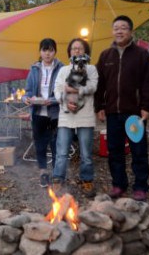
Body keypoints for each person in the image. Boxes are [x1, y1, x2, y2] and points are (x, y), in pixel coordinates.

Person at [94, 15, 149, 202]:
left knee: (138, 149)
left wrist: (146, 106)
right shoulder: (106, 56)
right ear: (112, 32)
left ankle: (140, 186)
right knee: (115, 151)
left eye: (123, 28)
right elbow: (99, 84)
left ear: (130, 31)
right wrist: (99, 106)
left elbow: (148, 83)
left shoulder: (141, 55)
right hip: (112, 112)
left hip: (134, 113)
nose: (119, 31)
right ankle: (119, 184)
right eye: (116, 28)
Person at [52, 38, 98, 198]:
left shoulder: (91, 69)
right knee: (62, 151)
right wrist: (65, 100)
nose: (77, 51)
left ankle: (87, 179)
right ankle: (58, 179)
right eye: (74, 49)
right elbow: (57, 91)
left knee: (86, 152)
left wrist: (75, 90)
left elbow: (93, 87)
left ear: (85, 52)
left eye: (80, 48)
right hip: (66, 115)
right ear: (70, 53)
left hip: (85, 114)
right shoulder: (63, 70)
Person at [23, 38, 64, 187]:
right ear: (40, 52)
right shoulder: (34, 69)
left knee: (55, 144)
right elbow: (27, 92)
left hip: (55, 113)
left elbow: (65, 92)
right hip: (38, 112)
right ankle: (43, 173)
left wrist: (52, 100)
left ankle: (56, 174)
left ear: (55, 52)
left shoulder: (62, 69)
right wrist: (26, 99)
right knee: (40, 144)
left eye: (51, 50)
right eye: (44, 50)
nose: (47, 53)